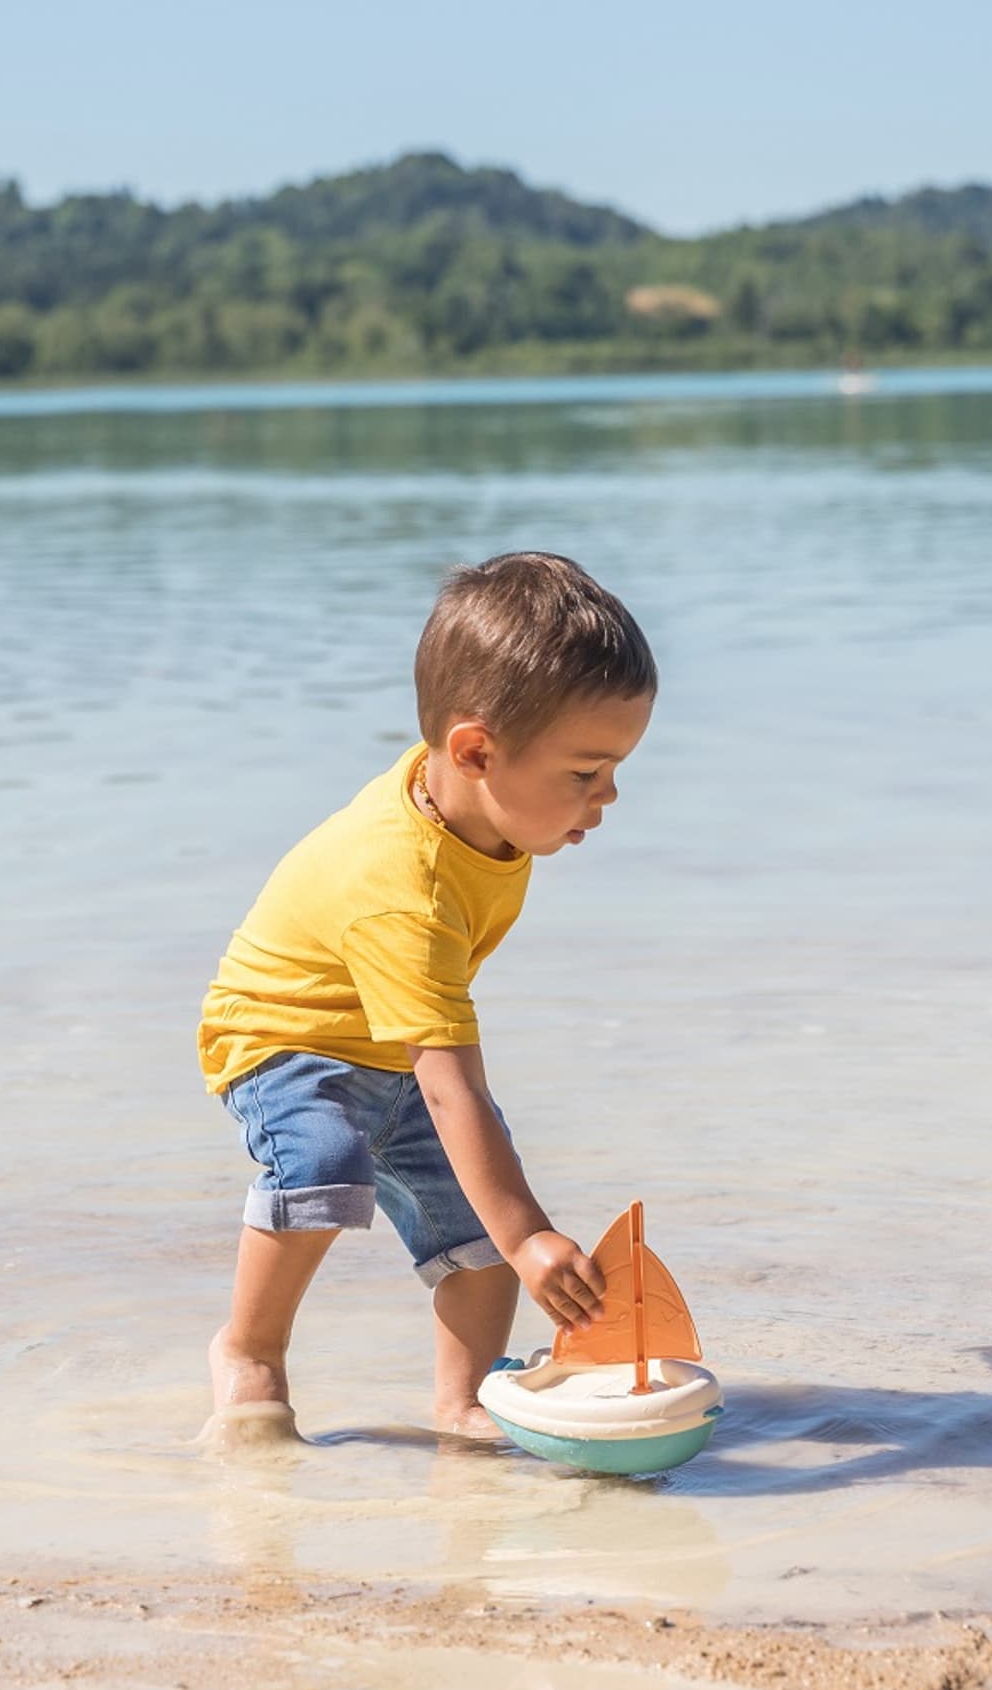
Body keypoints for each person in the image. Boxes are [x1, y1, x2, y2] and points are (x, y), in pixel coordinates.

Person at [197, 552, 656, 1440]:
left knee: (473, 1232)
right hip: (288, 1035)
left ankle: (464, 1401)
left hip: (391, 1040)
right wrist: (532, 1237)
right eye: (585, 773)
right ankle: (250, 1350)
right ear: (476, 751)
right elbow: (453, 1086)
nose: (608, 796)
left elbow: (437, 1069)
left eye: (614, 770)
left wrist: (506, 1235)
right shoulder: (399, 888)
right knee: (328, 1167)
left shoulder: (477, 804)